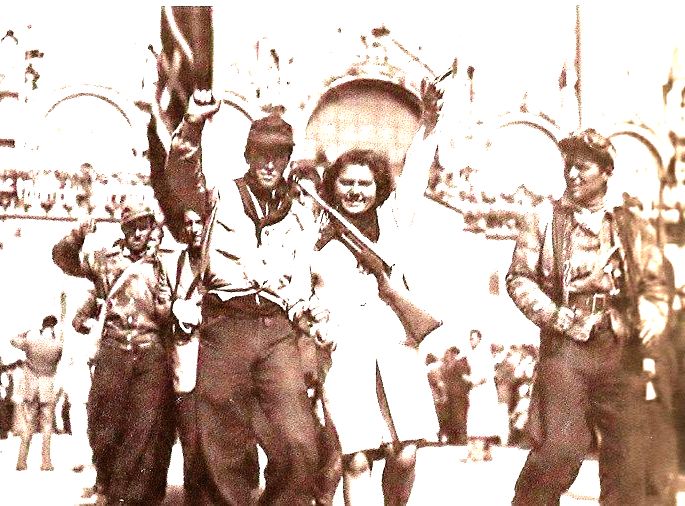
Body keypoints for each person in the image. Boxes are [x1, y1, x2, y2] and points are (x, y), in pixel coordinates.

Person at [164, 89, 323, 505]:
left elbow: (301, 275)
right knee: (222, 442)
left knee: (299, 442)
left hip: (276, 329)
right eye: (260, 154)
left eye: (279, 155)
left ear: (289, 160)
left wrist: (306, 308)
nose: (269, 163)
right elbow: (182, 176)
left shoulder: (301, 211)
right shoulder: (220, 195)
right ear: (248, 155)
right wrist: (194, 123)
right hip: (226, 324)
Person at [506, 128, 671, 505]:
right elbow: (518, 278)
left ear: (606, 172)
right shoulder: (542, 218)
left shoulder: (632, 225)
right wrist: (558, 316)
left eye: (583, 167)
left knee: (630, 460)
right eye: (569, 167)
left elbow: (656, 282)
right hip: (566, 349)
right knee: (559, 451)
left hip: (620, 348)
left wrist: (652, 315)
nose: (572, 175)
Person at [310, 148, 440, 506]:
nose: (355, 191)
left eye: (364, 184)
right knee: (356, 458)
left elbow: (415, 172)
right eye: (346, 182)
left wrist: (428, 124)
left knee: (405, 455)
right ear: (333, 186)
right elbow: (297, 290)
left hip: (395, 349)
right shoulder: (314, 234)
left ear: (379, 187)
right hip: (344, 356)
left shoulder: (395, 222)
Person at [52, 204, 175, 505]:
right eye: (131, 227)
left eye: (143, 226)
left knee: (143, 427)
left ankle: (127, 496)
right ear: (123, 229)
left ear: (152, 228)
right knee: (103, 424)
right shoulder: (105, 260)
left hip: (151, 352)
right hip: (113, 350)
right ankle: (106, 481)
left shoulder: (165, 264)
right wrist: (77, 235)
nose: (137, 233)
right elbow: (62, 259)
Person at [10, 314, 63, 471]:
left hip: (31, 388)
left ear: (42, 327)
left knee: (28, 424)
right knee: (47, 426)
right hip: (47, 389)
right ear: (53, 328)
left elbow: (13, 340)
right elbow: (56, 362)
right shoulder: (57, 346)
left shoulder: (31, 341)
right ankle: (46, 462)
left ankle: (21, 461)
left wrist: (26, 332)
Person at [461, 328, 500, 461]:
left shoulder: (483, 354)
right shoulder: (474, 354)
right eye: (470, 338)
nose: (471, 341)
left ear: (479, 339)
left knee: (480, 420)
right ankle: (481, 452)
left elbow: (484, 376)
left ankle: (478, 453)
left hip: (483, 390)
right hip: (478, 390)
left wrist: (470, 379)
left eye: (473, 338)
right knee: (478, 420)